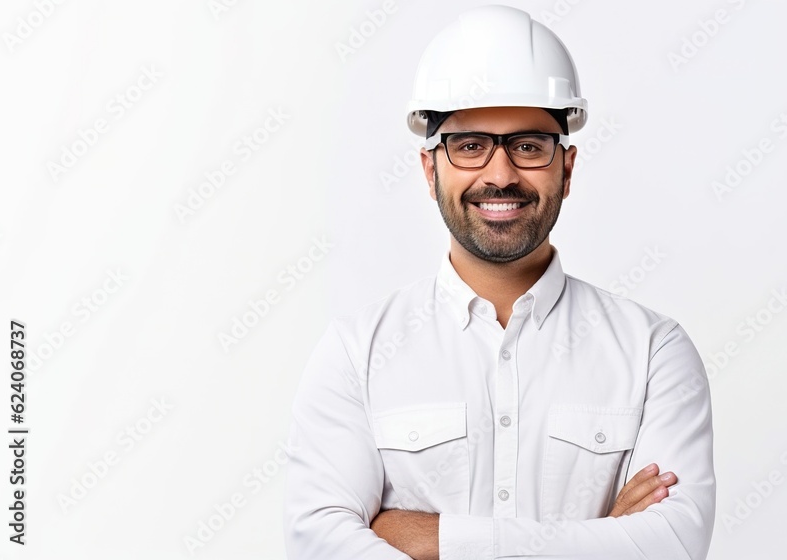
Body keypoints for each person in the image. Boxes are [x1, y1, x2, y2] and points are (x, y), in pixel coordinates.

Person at [283, 5, 716, 559]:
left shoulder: (654, 351)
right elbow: (318, 546)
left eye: (529, 145)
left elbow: (671, 546)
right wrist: (603, 539)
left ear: (567, 167)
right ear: (428, 168)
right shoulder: (356, 353)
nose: (500, 174)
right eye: (469, 146)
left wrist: (425, 535)